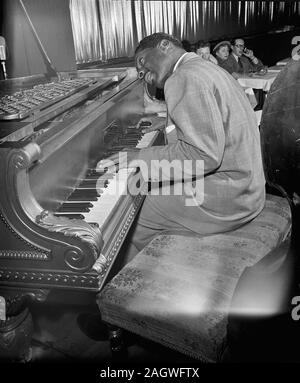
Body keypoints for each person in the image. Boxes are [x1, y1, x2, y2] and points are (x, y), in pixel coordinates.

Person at [98, 32, 266, 262]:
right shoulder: (204, 68)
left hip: (227, 199)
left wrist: (138, 156)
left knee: (131, 213)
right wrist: (170, 120)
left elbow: (203, 156)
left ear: (165, 45)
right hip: (250, 189)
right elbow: (213, 120)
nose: (142, 74)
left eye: (143, 62)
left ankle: (151, 282)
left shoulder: (183, 77)